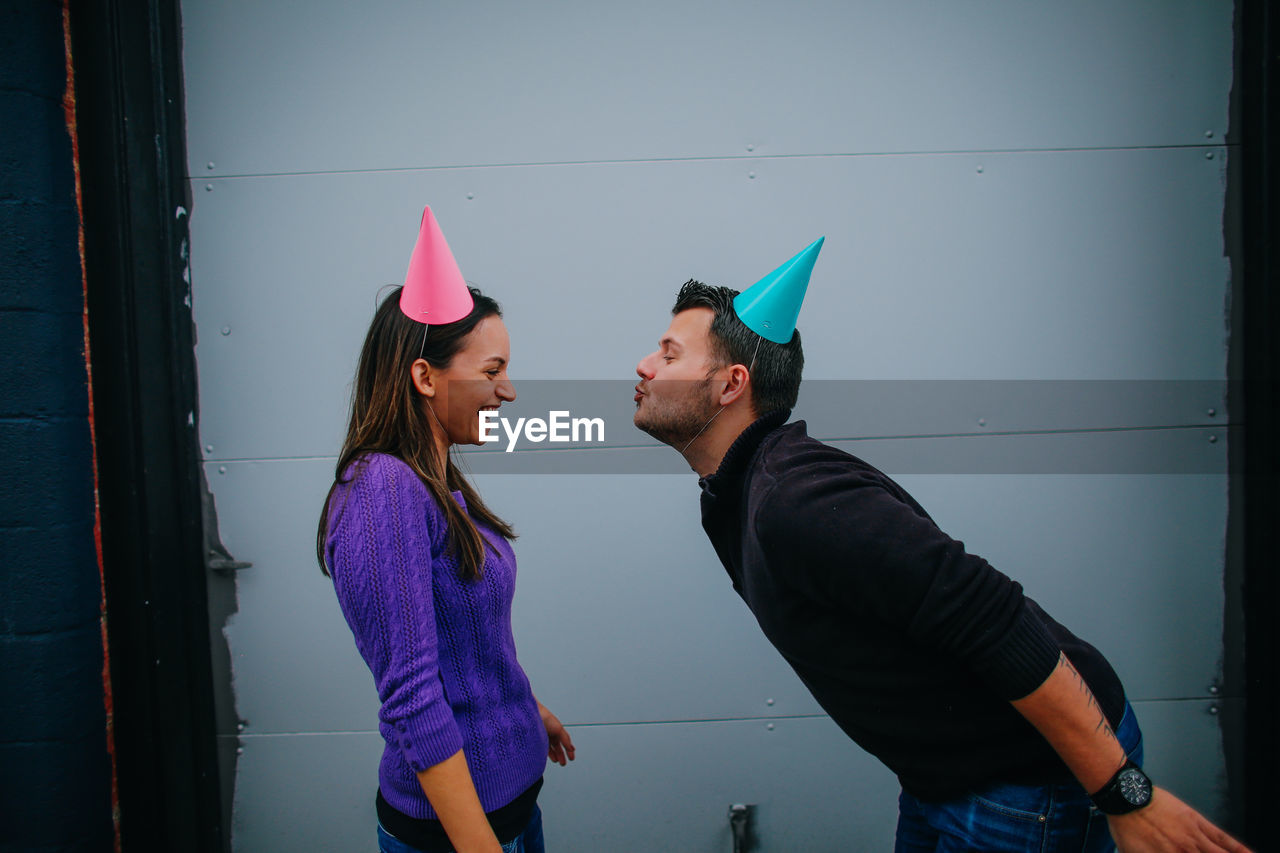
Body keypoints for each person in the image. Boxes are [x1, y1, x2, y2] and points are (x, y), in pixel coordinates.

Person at [632, 238, 1249, 852]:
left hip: (1031, 783)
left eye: (669, 353)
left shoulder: (798, 499)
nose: (645, 365)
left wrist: (1122, 793)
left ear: (731, 384)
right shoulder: (742, 492)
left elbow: (996, 620)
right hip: (943, 776)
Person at [318, 207, 574, 853]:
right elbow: (411, 695)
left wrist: (521, 707)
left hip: (513, 807)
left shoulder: (437, 485)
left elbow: (468, 635)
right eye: (492, 371)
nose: (508, 391)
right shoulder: (383, 487)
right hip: (457, 836)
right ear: (425, 375)